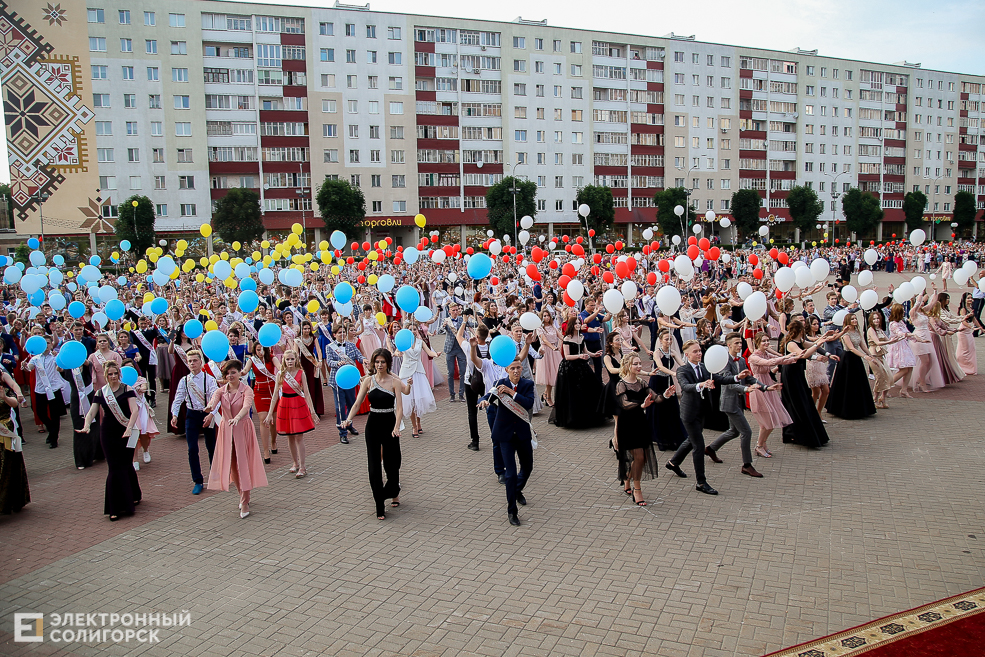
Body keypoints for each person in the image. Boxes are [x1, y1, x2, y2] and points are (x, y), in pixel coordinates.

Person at [666, 340, 746, 495]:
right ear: (687, 354)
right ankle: (701, 482)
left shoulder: (704, 367)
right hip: (689, 414)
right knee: (699, 446)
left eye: (699, 351)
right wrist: (702, 384)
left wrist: (737, 377)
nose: (699, 354)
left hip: (701, 411)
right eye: (695, 351)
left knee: (692, 439)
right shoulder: (683, 370)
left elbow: (720, 378)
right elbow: (686, 387)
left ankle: (673, 462)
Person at [342, 349, 407, 520]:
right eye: (377, 362)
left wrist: (396, 427)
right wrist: (348, 420)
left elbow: (399, 408)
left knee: (393, 462)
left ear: (388, 364)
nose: (379, 365)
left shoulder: (395, 382)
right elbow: (357, 404)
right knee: (373, 464)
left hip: (390, 423)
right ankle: (379, 503)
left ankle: (393, 490)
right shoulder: (368, 381)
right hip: (373, 425)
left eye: (383, 362)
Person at [706, 332, 782, 477]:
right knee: (746, 432)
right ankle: (747, 465)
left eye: (741, 343)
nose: (740, 345)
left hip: (737, 401)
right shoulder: (724, 361)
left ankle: (711, 448)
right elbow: (729, 384)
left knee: (734, 431)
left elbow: (750, 377)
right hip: (729, 402)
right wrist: (746, 389)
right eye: (736, 343)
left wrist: (765, 387)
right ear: (728, 345)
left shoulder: (740, 360)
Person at [76, 361, 141, 521]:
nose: (113, 377)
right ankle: (115, 507)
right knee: (113, 467)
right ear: (105, 375)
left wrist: (129, 427)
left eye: (115, 373)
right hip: (108, 432)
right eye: (110, 374)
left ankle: (133, 495)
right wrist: (86, 426)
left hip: (126, 430)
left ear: (119, 373)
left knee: (125, 465)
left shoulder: (128, 389)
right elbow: (92, 412)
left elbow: (134, 411)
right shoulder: (101, 393)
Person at [205, 360, 268, 519]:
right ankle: (242, 494)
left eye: (233, 372)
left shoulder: (246, 390)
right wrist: (210, 409)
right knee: (232, 464)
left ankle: (245, 501)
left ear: (240, 373)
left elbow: (247, 407)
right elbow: (213, 402)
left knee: (243, 464)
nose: (230, 375)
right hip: (226, 430)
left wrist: (237, 418)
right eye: (227, 373)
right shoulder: (221, 391)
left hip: (242, 428)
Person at [478, 358, 535, 526]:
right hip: (506, 436)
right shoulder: (499, 382)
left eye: (519, 368)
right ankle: (512, 511)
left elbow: (529, 403)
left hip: (523, 434)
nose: (516, 371)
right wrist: (483, 400)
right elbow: (488, 395)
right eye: (513, 368)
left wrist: (511, 393)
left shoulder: (527, 385)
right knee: (510, 474)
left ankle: (517, 490)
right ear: (507, 370)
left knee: (528, 467)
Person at [613, 353, 674, 505]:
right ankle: (637, 489)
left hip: (641, 423)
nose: (639, 366)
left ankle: (627, 477)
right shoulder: (621, 384)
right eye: (636, 364)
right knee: (639, 456)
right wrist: (641, 406)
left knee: (643, 457)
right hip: (627, 424)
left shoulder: (642, 383)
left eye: (640, 363)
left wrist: (665, 395)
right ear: (627, 365)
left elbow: (656, 398)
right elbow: (624, 404)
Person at [169, 349, 219, 494]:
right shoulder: (184, 380)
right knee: (192, 449)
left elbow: (216, 400)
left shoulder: (208, 379)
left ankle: (215, 476)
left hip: (206, 414)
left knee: (211, 447)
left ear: (200, 362)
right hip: (191, 415)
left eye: (195, 361)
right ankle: (197, 480)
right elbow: (178, 398)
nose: (192, 363)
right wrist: (175, 415)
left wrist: (211, 415)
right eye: (190, 361)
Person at [264, 349, 319, 478]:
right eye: (287, 359)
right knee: (289, 436)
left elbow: (307, 393)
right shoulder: (280, 375)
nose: (290, 361)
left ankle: (303, 466)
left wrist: (313, 411)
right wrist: (269, 413)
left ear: (296, 360)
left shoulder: (301, 373)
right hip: (285, 405)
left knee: (299, 436)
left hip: (298, 404)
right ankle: (295, 463)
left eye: (292, 359)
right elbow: (274, 396)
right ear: (284, 360)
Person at [780, 321, 833, 448]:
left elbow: (815, 346)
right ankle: (795, 433)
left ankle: (805, 432)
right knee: (795, 402)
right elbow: (803, 354)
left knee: (804, 399)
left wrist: (827, 352)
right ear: (800, 330)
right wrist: (819, 343)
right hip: (791, 374)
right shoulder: (791, 344)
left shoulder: (801, 341)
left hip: (797, 374)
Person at [549, 316, 607, 428]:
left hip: (582, 366)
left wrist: (594, 355)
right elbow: (567, 356)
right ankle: (573, 419)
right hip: (570, 368)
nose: (578, 325)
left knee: (589, 390)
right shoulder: (567, 338)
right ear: (572, 325)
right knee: (573, 394)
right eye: (575, 323)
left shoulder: (581, 336)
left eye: (579, 323)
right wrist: (579, 356)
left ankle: (589, 416)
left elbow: (586, 351)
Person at [825, 313, 878, 419]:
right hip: (847, 359)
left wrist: (871, 355)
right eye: (852, 319)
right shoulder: (846, 334)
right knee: (847, 383)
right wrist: (865, 357)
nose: (855, 320)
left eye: (855, 318)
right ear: (848, 321)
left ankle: (862, 408)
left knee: (859, 383)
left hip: (856, 359)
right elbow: (852, 348)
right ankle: (844, 409)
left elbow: (862, 345)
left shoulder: (857, 331)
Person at [23, 334, 66, 449]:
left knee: (54, 415)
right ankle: (51, 430)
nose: (46, 345)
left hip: (54, 389)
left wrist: (59, 366)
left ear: (52, 344)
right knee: (40, 412)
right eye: (44, 343)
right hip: (41, 389)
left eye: (48, 343)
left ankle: (54, 438)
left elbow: (61, 369)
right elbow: (30, 367)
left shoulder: (55, 357)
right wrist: (25, 365)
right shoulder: (36, 358)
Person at [648, 329, 688, 451]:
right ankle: (655, 435)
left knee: (672, 407)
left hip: (668, 382)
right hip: (657, 382)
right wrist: (673, 373)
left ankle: (672, 433)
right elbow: (660, 366)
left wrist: (690, 369)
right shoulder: (657, 353)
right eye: (666, 339)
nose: (669, 341)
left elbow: (682, 364)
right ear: (660, 340)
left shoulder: (673, 352)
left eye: (670, 339)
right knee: (657, 407)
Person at [397, 322, 438, 438]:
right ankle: (414, 426)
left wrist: (436, 354)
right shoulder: (404, 343)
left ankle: (419, 423)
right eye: (410, 329)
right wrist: (396, 353)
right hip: (406, 374)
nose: (413, 331)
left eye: (414, 329)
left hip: (418, 373)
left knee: (418, 400)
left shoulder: (421, 342)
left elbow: (429, 352)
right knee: (409, 400)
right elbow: (398, 351)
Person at [123, 357, 159, 469]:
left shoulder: (140, 379)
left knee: (144, 433)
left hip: (141, 409)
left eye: (131, 367)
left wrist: (142, 389)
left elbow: (144, 386)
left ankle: (146, 450)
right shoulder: (122, 382)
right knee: (133, 433)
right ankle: (134, 459)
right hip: (129, 410)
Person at [0, 379, 29, 514]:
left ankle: (13, 502)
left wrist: (4, 397)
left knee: (11, 464)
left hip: (6, 431)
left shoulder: (4, 391)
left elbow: (14, 403)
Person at [249, 342, 279, 461]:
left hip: (273, 390)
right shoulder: (252, 360)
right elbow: (245, 370)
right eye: (257, 350)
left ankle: (273, 441)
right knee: (263, 420)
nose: (260, 352)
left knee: (274, 421)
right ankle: (266, 450)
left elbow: (280, 366)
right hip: (260, 391)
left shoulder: (272, 358)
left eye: (261, 349)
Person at [865, 312, 898, 409]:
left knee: (889, 377)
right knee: (880, 377)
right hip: (874, 356)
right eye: (874, 319)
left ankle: (883, 398)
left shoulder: (880, 329)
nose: (876, 320)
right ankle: (875, 399)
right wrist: (890, 341)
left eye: (878, 318)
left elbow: (888, 339)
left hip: (881, 355)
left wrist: (898, 339)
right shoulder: (871, 330)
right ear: (871, 320)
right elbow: (878, 342)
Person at [295, 320, 325, 418]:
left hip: (312, 364)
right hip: (302, 364)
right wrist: (298, 366)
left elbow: (318, 350)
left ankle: (316, 409)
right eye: (305, 329)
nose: (307, 330)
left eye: (308, 328)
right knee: (304, 385)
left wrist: (320, 360)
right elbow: (295, 353)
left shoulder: (314, 338)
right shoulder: (298, 340)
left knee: (313, 385)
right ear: (301, 329)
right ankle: (305, 409)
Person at [534, 308, 562, 406]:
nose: (546, 317)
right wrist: (552, 347)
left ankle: (546, 395)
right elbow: (545, 340)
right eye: (544, 316)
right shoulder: (539, 328)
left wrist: (568, 341)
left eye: (548, 315)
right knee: (549, 375)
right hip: (546, 351)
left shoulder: (553, 326)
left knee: (555, 374)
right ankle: (548, 397)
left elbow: (560, 336)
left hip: (554, 351)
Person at [442, 303, 467, 403]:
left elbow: (471, 325)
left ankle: (461, 394)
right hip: (450, 348)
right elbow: (440, 329)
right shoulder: (447, 320)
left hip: (460, 348)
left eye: (457, 310)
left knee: (463, 372)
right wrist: (443, 326)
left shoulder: (462, 320)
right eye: (454, 310)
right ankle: (452, 395)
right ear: (449, 311)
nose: (456, 312)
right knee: (450, 372)